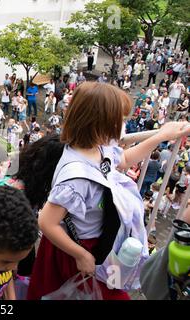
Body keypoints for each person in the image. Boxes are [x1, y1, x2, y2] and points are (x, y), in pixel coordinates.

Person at [27, 82, 190, 300]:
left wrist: (161, 136)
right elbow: (46, 222)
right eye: (119, 120)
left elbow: (123, 159)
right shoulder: (75, 176)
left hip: (97, 242)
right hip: (80, 249)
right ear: (97, 123)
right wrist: (81, 255)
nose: (123, 126)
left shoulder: (98, 147)